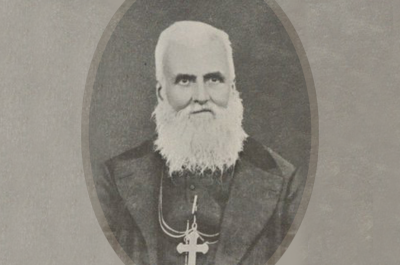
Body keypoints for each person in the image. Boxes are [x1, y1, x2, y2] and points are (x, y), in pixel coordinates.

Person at [96, 21, 306, 265]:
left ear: (232, 87)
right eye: (185, 81)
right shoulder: (113, 180)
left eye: (214, 79)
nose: (202, 96)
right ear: (161, 93)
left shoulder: (285, 183)